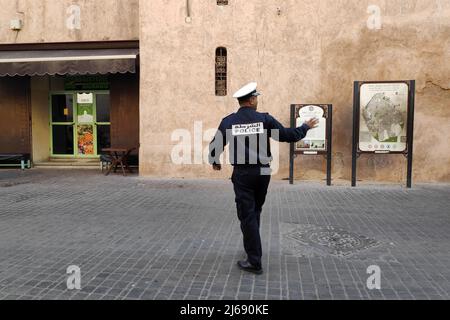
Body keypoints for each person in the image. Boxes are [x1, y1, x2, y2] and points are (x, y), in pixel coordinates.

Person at [209, 82, 319, 275]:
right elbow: (287, 135)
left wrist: (215, 160)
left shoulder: (229, 121)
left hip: (243, 173)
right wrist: (304, 127)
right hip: (263, 173)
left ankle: (254, 260)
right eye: (256, 98)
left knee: (247, 214)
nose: (257, 101)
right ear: (251, 100)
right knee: (255, 210)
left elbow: (216, 144)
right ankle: (253, 246)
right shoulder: (264, 120)